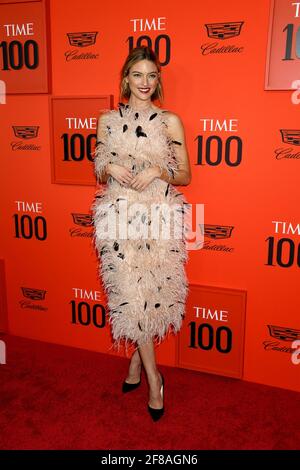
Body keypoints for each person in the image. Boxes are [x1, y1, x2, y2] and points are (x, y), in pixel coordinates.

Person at [91, 45, 192, 421]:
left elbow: (184, 175)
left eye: (151, 75)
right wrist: (110, 169)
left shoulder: (170, 122)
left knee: (151, 296)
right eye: (138, 75)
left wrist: (157, 172)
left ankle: (136, 364)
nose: (145, 82)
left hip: (159, 214)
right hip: (118, 216)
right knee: (131, 297)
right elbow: (99, 168)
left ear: (157, 80)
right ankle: (153, 379)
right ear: (125, 79)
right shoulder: (106, 119)